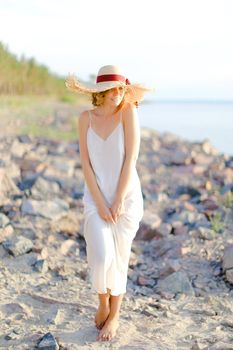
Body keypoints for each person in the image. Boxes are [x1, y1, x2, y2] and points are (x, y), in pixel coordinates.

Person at [65, 65, 154, 342]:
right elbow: (86, 165)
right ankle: (103, 301)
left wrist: (117, 201)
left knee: (119, 257)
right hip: (94, 196)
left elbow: (131, 159)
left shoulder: (128, 112)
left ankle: (114, 315)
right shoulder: (85, 118)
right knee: (101, 256)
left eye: (121, 88)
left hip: (126, 196)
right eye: (112, 89)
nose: (118, 93)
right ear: (100, 92)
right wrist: (101, 203)